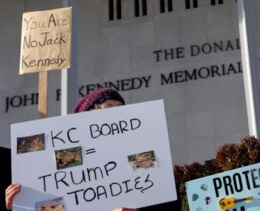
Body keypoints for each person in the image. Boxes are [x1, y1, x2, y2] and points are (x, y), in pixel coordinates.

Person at [5, 88, 168, 211]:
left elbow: (151, 191)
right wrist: (22, 205)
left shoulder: (138, 153)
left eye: (120, 106)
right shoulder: (66, 155)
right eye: (109, 106)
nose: (117, 111)